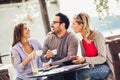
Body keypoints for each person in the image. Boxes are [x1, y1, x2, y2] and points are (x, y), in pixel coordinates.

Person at [71, 12, 111, 80]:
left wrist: (85, 59)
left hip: (105, 67)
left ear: (81, 25)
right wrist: (79, 59)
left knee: (80, 74)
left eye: (74, 23)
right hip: (93, 68)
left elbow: (102, 58)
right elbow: (86, 59)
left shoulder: (97, 35)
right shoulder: (81, 40)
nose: (71, 26)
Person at [41, 13, 78, 80]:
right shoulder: (48, 38)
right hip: (54, 72)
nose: (51, 25)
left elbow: (70, 58)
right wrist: (46, 56)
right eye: (52, 22)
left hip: (68, 71)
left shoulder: (72, 38)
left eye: (54, 22)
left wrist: (51, 64)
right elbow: (42, 58)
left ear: (62, 25)